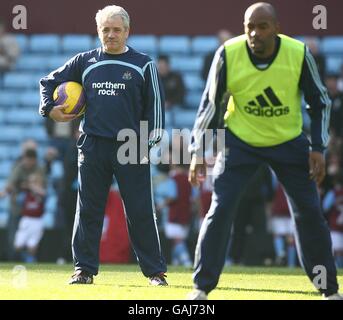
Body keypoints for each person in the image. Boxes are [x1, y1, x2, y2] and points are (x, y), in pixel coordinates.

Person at [187, 2, 342, 300]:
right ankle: (201, 288)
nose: (255, 33)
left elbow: (319, 101)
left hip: (289, 141)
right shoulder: (227, 54)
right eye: (249, 27)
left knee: (309, 212)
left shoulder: (298, 53)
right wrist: (196, 150)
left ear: (277, 29)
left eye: (262, 26)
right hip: (239, 141)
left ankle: (329, 290)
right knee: (220, 209)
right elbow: (210, 106)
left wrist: (318, 147)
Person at [39, 5, 167, 285]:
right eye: (105, 29)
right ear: (98, 31)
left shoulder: (143, 64)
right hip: (93, 144)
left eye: (116, 29)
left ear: (127, 31)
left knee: (140, 209)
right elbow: (48, 82)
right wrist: (49, 109)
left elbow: (155, 110)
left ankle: (155, 273)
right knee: (88, 210)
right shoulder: (84, 61)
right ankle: (83, 270)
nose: (110, 35)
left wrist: (149, 141)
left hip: (130, 145)